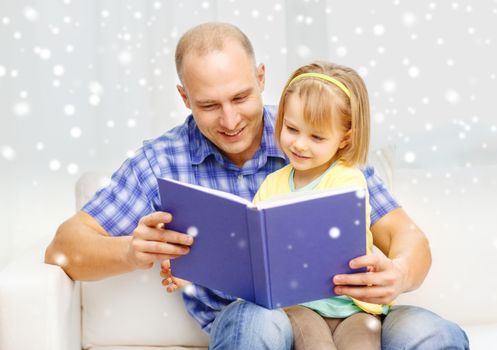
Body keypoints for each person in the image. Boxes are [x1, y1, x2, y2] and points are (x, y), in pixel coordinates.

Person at [46, 22, 469, 349]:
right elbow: (64, 247)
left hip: (353, 312)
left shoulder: (309, 132)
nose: (230, 121)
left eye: (241, 98)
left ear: (262, 77)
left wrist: (399, 273)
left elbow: (407, 236)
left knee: (432, 333)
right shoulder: (160, 161)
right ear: (184, 97)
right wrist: (130, 251)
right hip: (255, 321)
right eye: (209, 105)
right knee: (254, 318)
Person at [249, 61, 386, 349]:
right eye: (291, 128)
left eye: (316, 137)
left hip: (354, 308)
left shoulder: (348, 180)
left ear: (344, 139)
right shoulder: (271, 185)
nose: (299, 144)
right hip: (299, 305)